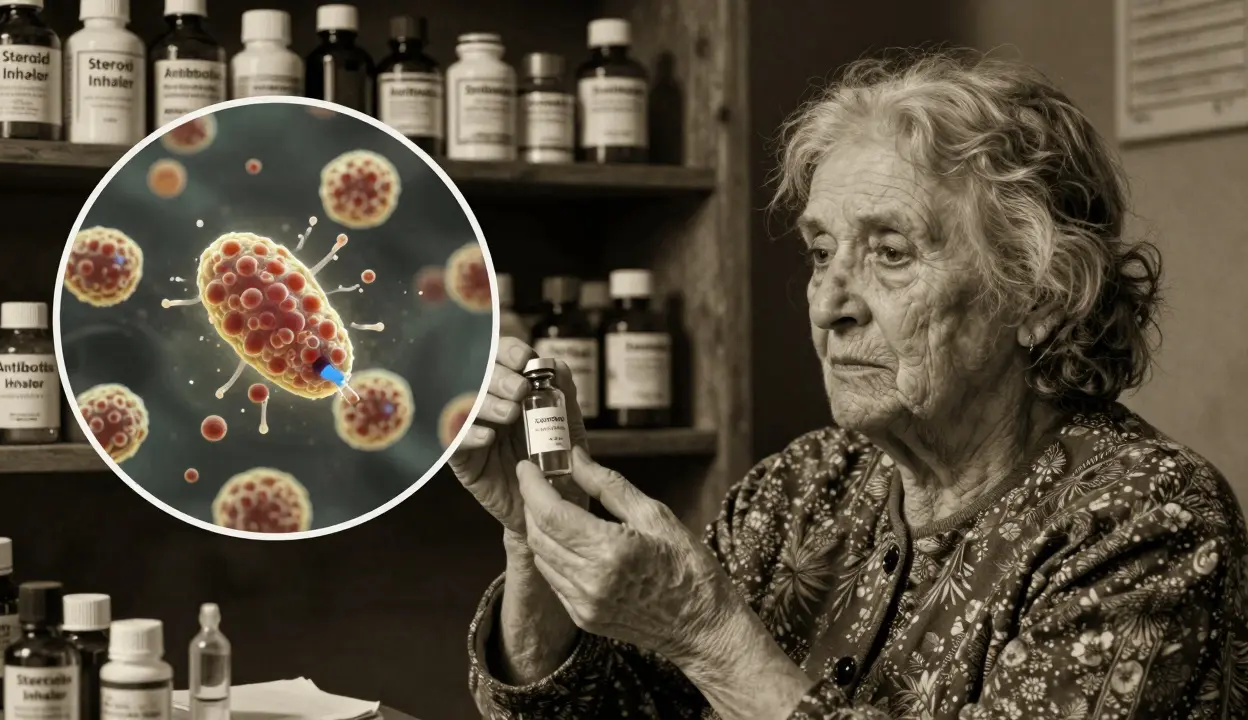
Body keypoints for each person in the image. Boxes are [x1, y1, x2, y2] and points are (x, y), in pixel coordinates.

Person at [450, 51, 1247, 719]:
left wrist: (709, 632)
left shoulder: (1147, 522)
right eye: (822, 251)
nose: (831, 304)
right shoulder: (799, 490)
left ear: (1037, 296)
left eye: (891, 253)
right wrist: (537, 538)